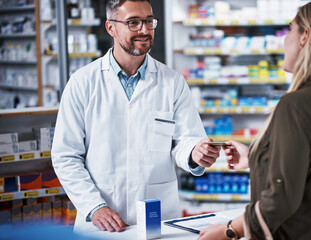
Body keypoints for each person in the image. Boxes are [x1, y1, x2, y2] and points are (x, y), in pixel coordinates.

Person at [51, 0, 221, 233]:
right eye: (133, 22)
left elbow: (186, 140)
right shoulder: (83, 83)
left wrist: (194, 153)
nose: (144, 30)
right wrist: (94, 206)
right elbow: (65, 156)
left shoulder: (172, 82)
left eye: (149, 21)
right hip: (102, 223)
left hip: (157, 219)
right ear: (111, 28)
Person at [198, 0, 311, 239]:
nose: (285, 39)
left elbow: (281, 200)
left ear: (305, 37)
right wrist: (258, 157)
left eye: (290, 29)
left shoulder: (295, 105)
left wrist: (229, 230)